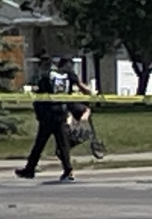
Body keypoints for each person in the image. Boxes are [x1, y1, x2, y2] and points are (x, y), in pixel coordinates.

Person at [16, 54, 94, 182]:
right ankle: (66, 171)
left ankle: (31, 169)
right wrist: (92, 96)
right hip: (61, 113)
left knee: (40, 143)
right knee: (62, 144)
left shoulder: (47, 76)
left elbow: (40, 94)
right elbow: (84, 89)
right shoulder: (70, 75)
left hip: (48, 114)